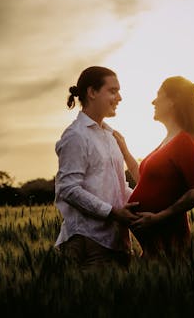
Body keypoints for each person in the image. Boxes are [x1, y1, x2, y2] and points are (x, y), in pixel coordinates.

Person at [113, 76, 194, 259]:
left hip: (171, 249)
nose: (153, 101)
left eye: (159, 95)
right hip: (153, 251)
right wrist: (125, 151)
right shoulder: (168, 141)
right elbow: (146, 181)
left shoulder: (183, 141)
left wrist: (159, 217)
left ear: (173, 101)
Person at [54, 66, 139, 269]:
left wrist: (147, 205)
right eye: (113, 91)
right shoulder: (76, 135)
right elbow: (68, 189)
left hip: (118, 242)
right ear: (92, 93)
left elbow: (119, 187)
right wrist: (113, 212)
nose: (119, 98)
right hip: (89, 242)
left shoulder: (111, 136)